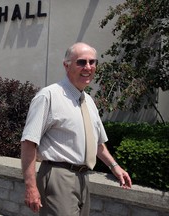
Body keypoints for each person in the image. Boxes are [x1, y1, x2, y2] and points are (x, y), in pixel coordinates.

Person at [21, 42, 132, 216]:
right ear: (66, 65)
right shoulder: (48, 96)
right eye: (81, 62)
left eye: (92, 62)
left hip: (83, 178)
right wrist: (30, 186)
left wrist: (115, 167)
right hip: (58, 177)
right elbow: (29, 143)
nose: (88, 67)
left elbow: (96, 143)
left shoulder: (88, 101)